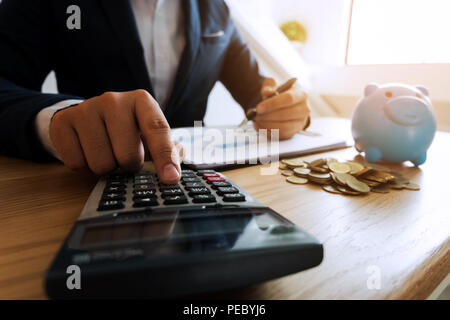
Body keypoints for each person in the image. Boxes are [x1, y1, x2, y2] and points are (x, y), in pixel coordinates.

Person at [0, 0, 310, 184]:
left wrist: (287, 109)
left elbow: (259, 92)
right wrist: (59, 118)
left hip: (196, 192)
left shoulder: (216, 9)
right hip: (83, 189)